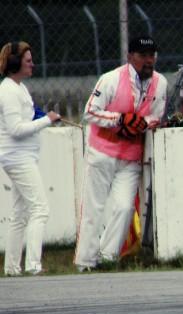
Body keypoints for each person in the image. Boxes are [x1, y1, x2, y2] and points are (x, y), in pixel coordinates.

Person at [74, 35, 167, 271]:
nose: (149, 61)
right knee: (93, 208)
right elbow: (89, 112)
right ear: (130, 57)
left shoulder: (161, 82)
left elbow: (156, 116)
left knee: (125, 207)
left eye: (152, 56)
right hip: (102, 153)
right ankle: (85, 261)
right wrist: (120, 120)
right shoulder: (110, 79)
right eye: (143, 56)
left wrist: (142, 123)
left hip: (131, 157)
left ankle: (107, 257)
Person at [0, 41, 61, 276]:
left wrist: (45, 117)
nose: (32, 64)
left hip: (23, 157)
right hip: (18, 158)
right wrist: (47, 120)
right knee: (40, 209)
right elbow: (15, 129)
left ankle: (12, 268)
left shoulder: (19, 88)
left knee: (21, 213)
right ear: (15, 63)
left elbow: (29, 117)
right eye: (28, 61)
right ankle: (34, 265)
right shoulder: (8, 92)